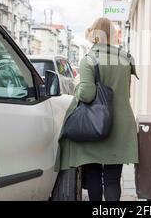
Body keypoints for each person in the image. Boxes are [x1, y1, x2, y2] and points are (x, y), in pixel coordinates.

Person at [58, 18, 139, 201]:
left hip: (95, 125)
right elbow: (126, 93)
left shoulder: (89, 60)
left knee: (93, 174)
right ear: (111, 35)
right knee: (112, 179)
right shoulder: (125, 58)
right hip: (120, 126)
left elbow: (86, 95)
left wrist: (77, 85)